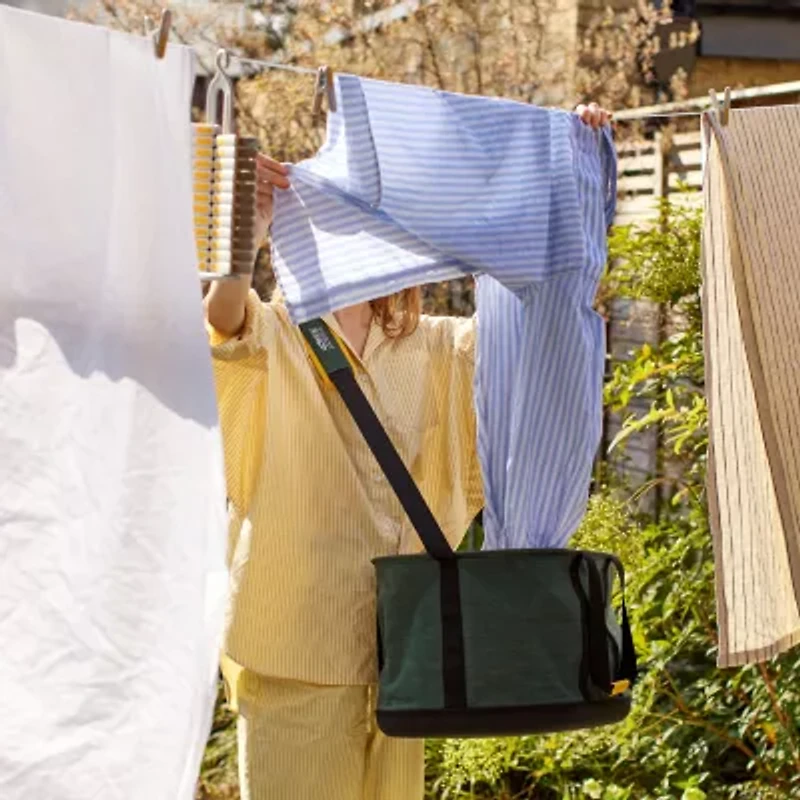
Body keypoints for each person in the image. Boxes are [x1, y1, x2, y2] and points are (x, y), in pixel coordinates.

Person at [205, 103, 612, 800]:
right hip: (293, 643)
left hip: (410, 652)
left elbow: (535, 319)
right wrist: (249, 237)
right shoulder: (276, 334)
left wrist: (566, 169)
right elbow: (223, 322)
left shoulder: (440, 346)